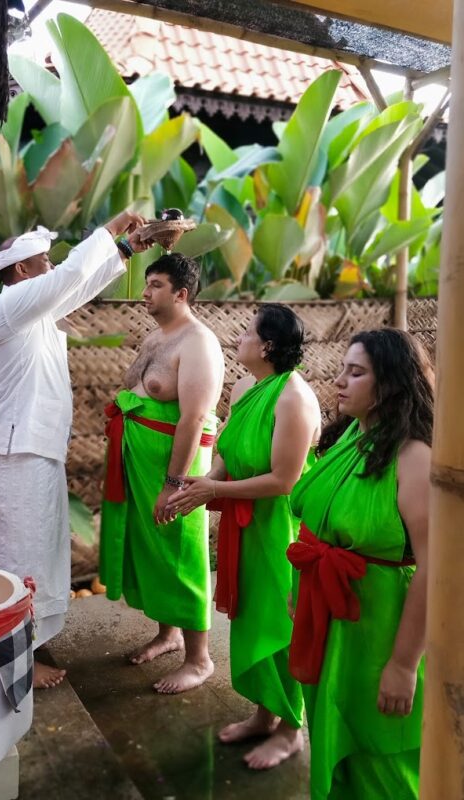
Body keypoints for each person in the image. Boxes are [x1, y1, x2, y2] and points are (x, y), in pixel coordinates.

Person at [0, 212, 152, 689]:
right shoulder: (9, 305)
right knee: (13, 560)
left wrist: (128, 250)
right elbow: (70, 277)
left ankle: (21, 650)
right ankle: (12, 666)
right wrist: (112, 230)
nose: (51, 268)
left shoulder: (36, 311)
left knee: (33, 556)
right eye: (43, 262)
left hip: (30, 452)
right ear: (22, 271)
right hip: (15, 455)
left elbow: (76, 288)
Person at [169, 303, 320, 768]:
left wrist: (214, 487)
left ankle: (292, 728)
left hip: (280, 530)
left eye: (247, 332)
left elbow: (284, 482)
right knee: (251, 618)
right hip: (245, 526)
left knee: (280, 626)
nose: (239, 338)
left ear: (268, 345)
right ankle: (264, 714)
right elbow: (229, 452)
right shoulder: (244, 387)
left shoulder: (293, 397)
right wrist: (205, 481)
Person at [288, 329, 432, 799]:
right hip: (331, 624)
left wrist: (404, 665)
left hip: (380, 631)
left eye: (356, 372)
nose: (339, 381)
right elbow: (318, 527)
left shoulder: (414, 459)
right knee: (335, 733)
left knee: (381, 759)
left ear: (390, 383)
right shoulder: (353, 435)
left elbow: (437, 568)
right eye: (342, 369)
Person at [100, 252, 225, 694]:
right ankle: (168, 634)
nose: (145, 292)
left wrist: (173, 485)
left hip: (176, 468)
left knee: (180, 554)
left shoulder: (198, 344)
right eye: (147, 283)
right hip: (140, 461)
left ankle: (200, 658)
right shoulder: (156, 338)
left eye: (155, 284)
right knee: (152, 551)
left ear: (181, 293)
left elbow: (193, 419)